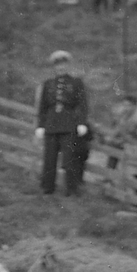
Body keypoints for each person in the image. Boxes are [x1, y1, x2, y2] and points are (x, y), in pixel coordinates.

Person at [35, 50, 89, 196]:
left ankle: (71, 190)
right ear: (54, 67)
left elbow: (82, 104)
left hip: (68, 124)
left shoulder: (76, 82)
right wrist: (40, 125)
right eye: (58, 65)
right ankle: (48, 189)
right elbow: (43, 107)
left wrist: (81, 123)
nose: (61, 67)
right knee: (49, 158)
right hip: (51, 124)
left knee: (69, 159)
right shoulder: (48, 84)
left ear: (68, 65)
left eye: (63, 64)